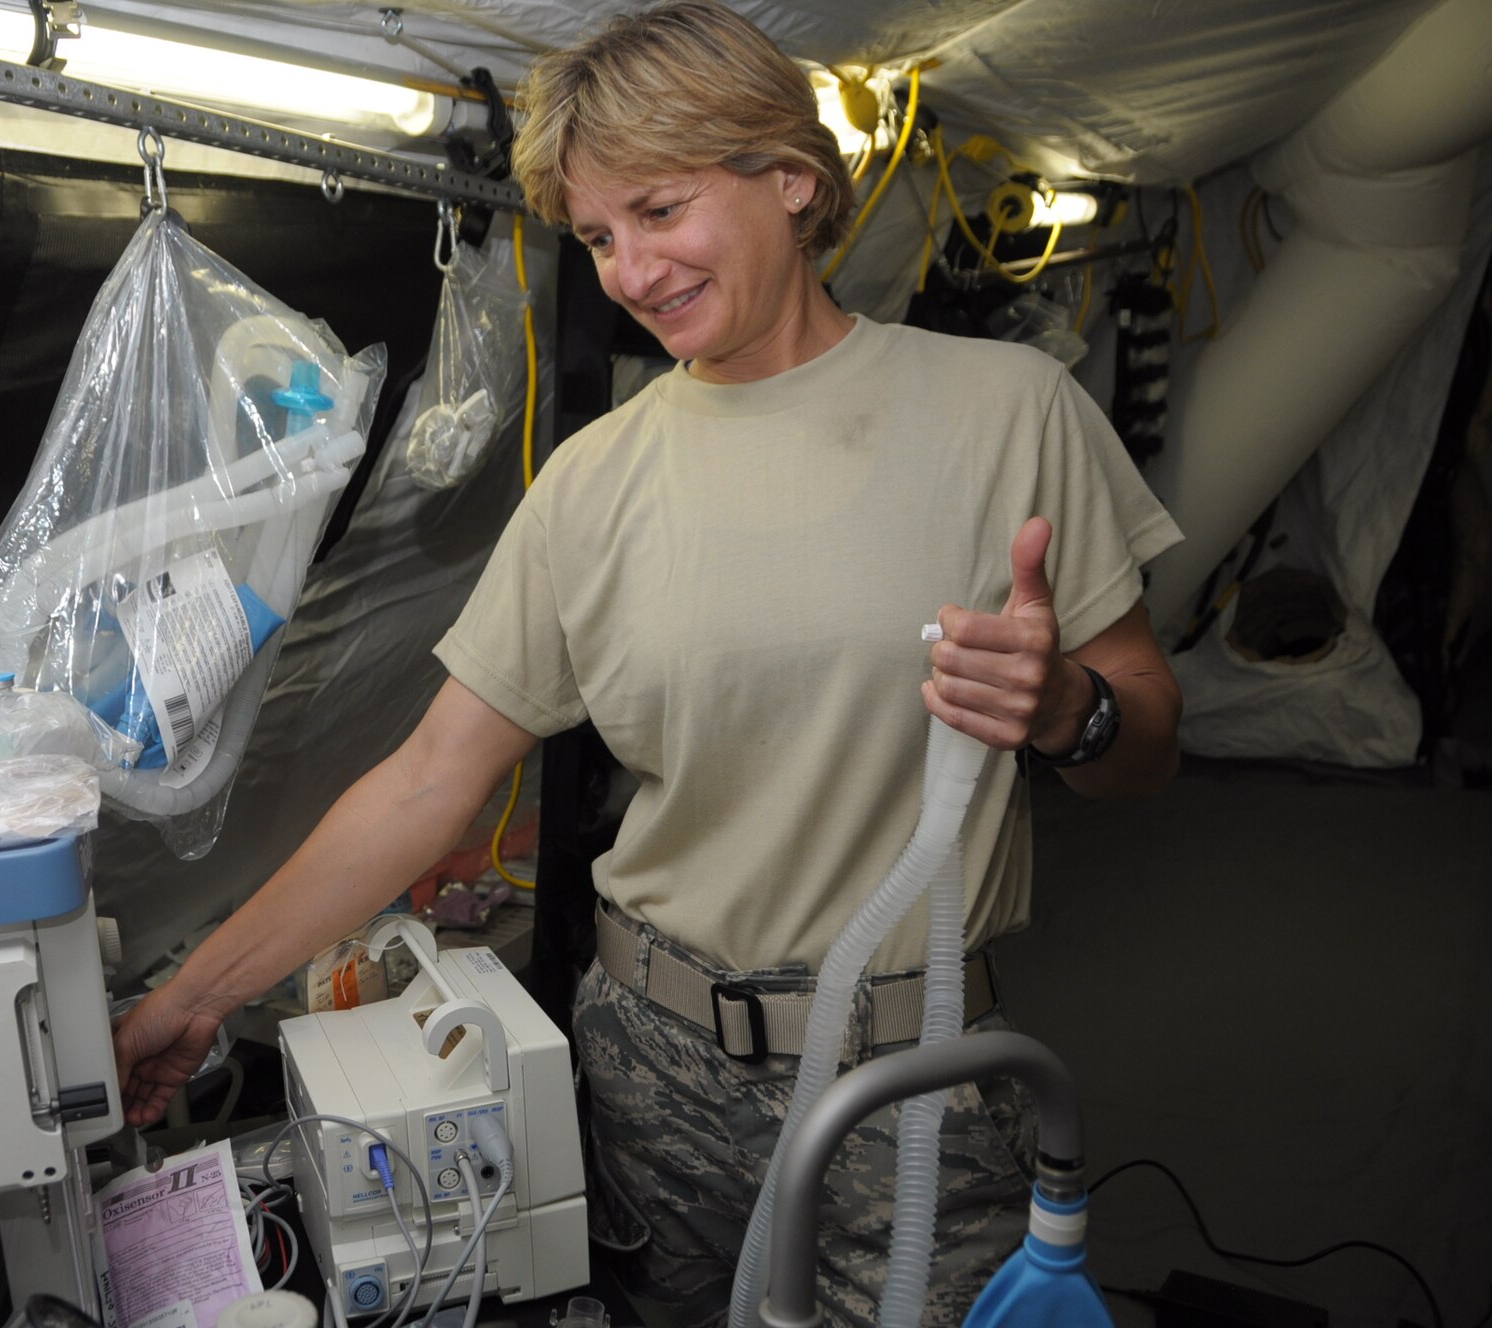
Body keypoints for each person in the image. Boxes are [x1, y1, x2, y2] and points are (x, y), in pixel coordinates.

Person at [114, 2, 1184, 1323]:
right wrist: (192, 1000)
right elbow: (426, 782)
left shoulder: (1008, 413)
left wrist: (1069, 713)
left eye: (660, 211)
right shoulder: (592, 483)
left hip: (911, 1075)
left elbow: (1146, 743)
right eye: (599, 236)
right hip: (648, 1068)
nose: (628, 270)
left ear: (790, 179)